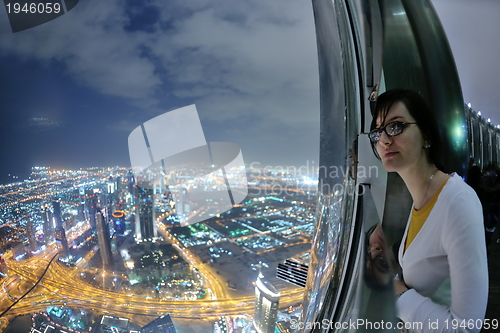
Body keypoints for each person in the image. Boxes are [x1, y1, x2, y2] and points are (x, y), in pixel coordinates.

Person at [369, 89, 488, 332]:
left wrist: (398, 293)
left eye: (396, 126)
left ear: (426, 136)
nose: (384, 140)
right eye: (378, 131)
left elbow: (466, 328)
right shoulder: (421, 199)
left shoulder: (458, 203)